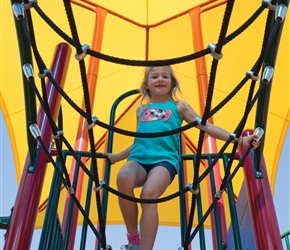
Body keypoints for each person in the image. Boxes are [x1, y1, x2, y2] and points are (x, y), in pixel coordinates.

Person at [104, 66, 260, 250]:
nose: (160, 79)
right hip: (138, 159)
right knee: (123, 178)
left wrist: (239, 140)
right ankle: (133, 240)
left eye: (165, 76)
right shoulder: (142, 110)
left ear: (172, 83)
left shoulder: (179, 107)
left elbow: (206, 127)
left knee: (148, 193)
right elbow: (140, 140)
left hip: (164, 161)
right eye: (154, 77)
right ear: (146, 85)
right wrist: (117, 157)